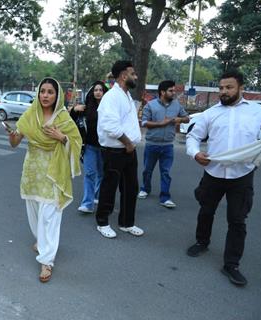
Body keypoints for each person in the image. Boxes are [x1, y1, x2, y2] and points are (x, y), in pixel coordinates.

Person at [186, 70, 261, 286]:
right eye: (221, 88)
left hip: (242, 175)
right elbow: (193, 136)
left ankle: (231, 264)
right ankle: (202, 241)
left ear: (241, 88)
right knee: (206, 210)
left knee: (237, 220)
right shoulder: (210, 113)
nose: (224, 92)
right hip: (213, 173)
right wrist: (195, 153)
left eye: (229, 87)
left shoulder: (258, 112)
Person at [7, 77, 82, 283]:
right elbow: (15, 142)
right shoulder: (30, 115)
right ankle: (41, 241)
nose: (45, 95)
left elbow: (76, 143)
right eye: (42, 91)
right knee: (34, 211)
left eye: (50, 92)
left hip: (53, 173)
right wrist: (12, 134)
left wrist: (62, 137)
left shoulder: (64, 118)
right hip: (32, 170)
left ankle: (47, 260)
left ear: (57, 96)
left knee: (50, 215)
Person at [95, 61, 144, 238]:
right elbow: (111, 126)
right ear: (124, 75)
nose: (136, 76)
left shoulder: (126, 95)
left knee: (131, 188)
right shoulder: (112, 97)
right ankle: (102, 222)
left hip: (129, 151)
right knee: (109, 187)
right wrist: (128, 143)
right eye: (133, 73)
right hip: (115, 151)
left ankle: (126, 222)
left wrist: (131, 144)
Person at [138, 80, 189, 208]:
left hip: (168, 145)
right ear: (162, 92)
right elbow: (144, 122)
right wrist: (161, 123)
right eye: (171, 91)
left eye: (174, 90)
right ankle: (145, 189)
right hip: (152, 144)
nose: (174, 93)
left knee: (166, 172)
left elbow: (187, 118)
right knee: (147, 170)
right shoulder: (150, 105)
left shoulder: (176, 105)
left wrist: (180, 119)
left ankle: (165, 197)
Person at [69, 81, 109, 213]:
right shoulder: (86, 108)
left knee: (102, 174)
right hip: (89, 146)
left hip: (105, 147)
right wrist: (74, 110)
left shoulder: (110, 108)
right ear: (92, 93)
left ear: (104, 92)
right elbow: (71, 120)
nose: (98, 92)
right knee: (90, 174)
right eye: (96, 90)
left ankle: (96, 196)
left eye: (101, 90)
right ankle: (87, 203)